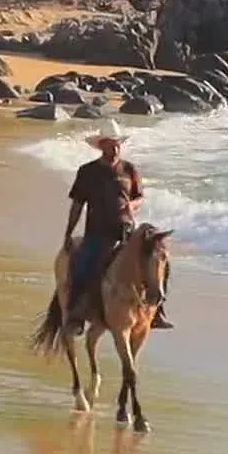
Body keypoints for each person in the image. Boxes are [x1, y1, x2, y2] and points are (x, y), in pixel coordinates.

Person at [61, 119, 173, 330]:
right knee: (83, 264)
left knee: (160, 259)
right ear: (101, 146)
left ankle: (157, 310)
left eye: (117, 144)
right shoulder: (88, 171)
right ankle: (76, 314)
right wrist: (68, 233)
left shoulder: (129, 169)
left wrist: (132, 205)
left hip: (127, 231)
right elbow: (77, 204)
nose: (114, 148)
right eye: (110, 144)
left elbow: (140, 197)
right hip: (98, 232)